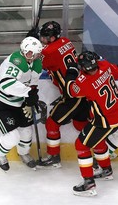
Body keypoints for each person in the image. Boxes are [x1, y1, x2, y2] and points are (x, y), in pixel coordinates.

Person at [65, 51, 118, 196]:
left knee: (81, 145)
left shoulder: (85, 82)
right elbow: (117, 72)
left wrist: (71, 71)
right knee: (97, 140)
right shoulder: (105, 65)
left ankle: (88, 184)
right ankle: (106, 170)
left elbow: (71, 91)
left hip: (106, 120)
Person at [28, 21, 90, 168]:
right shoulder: (66, 41)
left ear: (54, 37)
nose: (43, 40)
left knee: (51, 123)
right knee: (80, 124)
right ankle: (103, 149)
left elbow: (32, 61)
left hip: (72, 95)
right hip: (83, 90)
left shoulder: (49, 52)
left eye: (45, 38)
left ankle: (54, 157)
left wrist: (31, 42)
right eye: (42, 37)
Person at [0, 36, 43, 171]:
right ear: (23, 51)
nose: (32, 56)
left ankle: (23, 153)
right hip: (0, 100)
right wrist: (28, 93)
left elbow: (32, 84)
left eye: (35, 54)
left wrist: (30, 98)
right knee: (12, 137)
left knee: (27, 132)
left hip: (18, 101)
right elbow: (7, 84)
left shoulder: (37, 63)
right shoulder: (15, 61)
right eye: (30, 53)